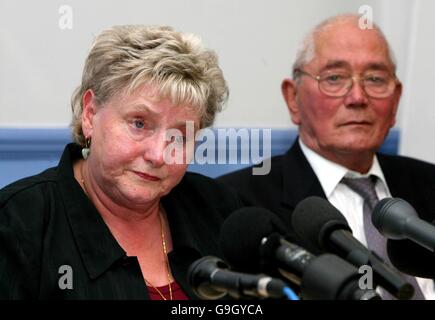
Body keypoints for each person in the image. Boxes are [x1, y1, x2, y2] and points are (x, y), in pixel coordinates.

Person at [0, 25, 241, 299]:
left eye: (180, 136)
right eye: (139, 124)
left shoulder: (220, 210)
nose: (158, 155)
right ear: (90, 114)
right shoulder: (17, 222)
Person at [219, 14, 435, 299]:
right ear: (292, 98)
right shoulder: (237, 201)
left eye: (375, 79)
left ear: (395, 101)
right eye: (334, 78)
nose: (357, 97)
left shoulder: (430, 182)